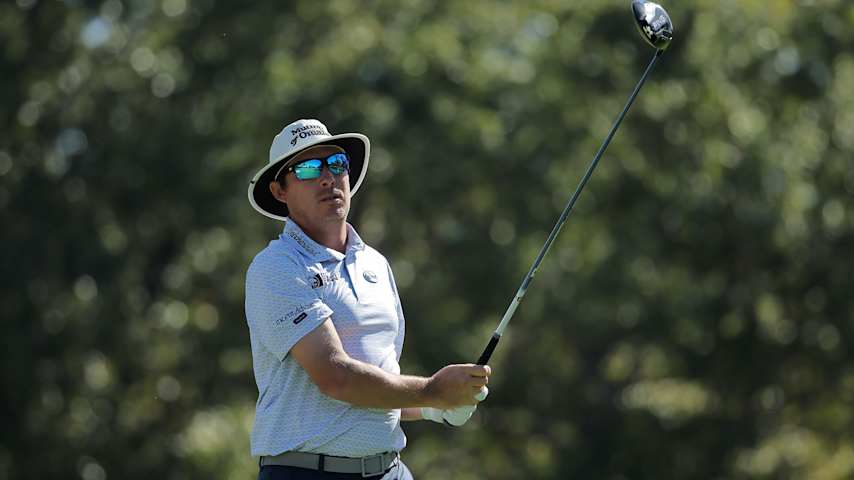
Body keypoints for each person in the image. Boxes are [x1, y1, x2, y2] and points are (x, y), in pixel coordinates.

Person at [245, 119, 491, 479]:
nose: (328, 177)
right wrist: (431, 391)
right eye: (309, 168)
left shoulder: (375, 264)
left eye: (337, 164)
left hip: (388, 470)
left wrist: (431, 408)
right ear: (280, 191)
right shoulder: (275, 267)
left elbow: (377, 383)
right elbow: (336, 378)